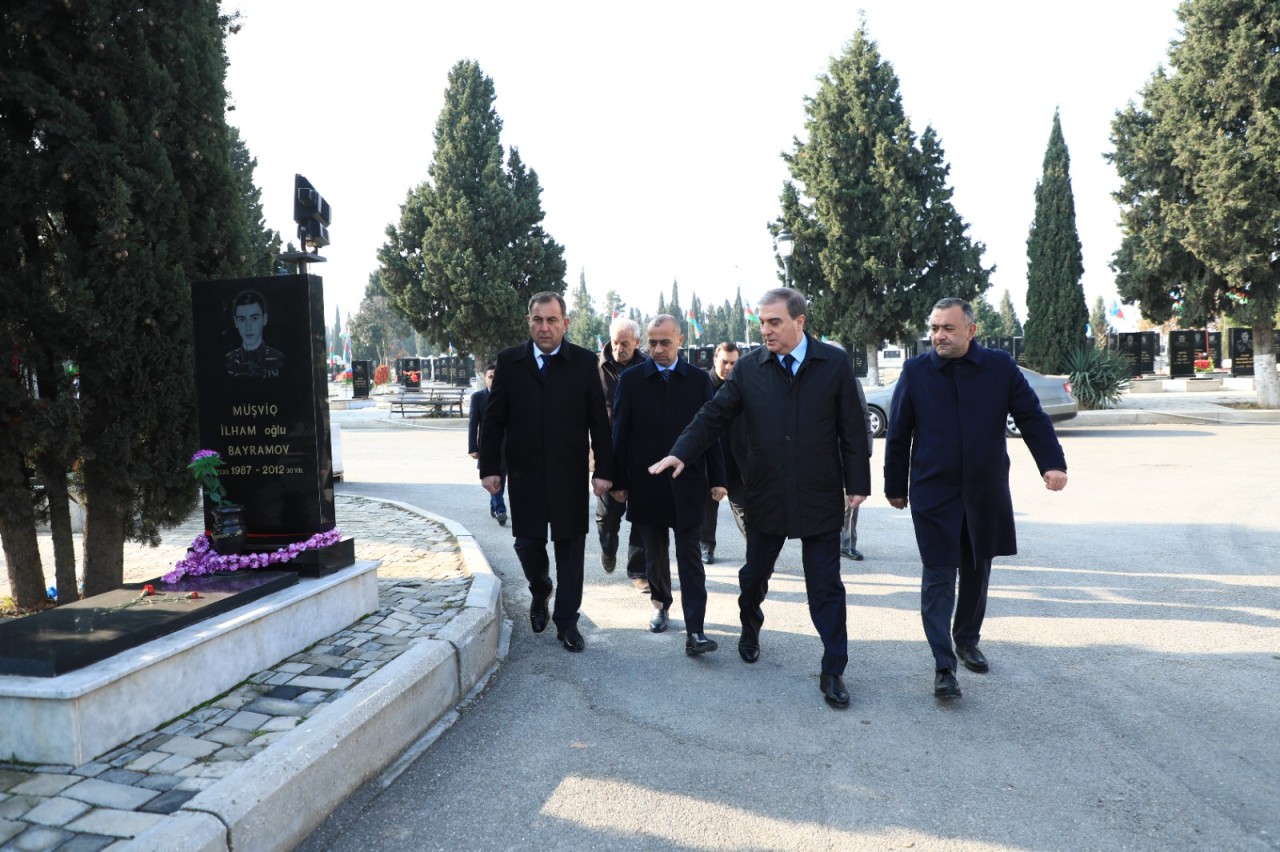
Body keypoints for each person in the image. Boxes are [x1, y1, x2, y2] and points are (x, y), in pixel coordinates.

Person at [650, 288, 871, 709]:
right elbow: (713, 415)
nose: (765, 330)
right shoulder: (750, 370)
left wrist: (857, 482)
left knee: (825, 587)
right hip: (766, 493)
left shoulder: (834, 364)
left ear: (799, 322)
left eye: (774, 322)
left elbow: (853, 428)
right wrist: (681, 451)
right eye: (762, 323)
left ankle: (834, 668)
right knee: (753, 578)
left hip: (819, 494)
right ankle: (750, 626)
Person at [884, 297, 1068, 701]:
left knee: (976, 569)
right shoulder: (915, 372)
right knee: (938, 574)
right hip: (934, 492)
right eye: (933, 328)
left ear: (970, 330)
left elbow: (1032, 416)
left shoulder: (999, 368)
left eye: (947, 328)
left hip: (984, 491)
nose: (938, 336)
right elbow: (898, 433)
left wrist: (1051, 464)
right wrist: (895, 486)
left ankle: (966, 638)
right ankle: (944, 665)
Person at [480, 292, 614, 653]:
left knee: (570, 549)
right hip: (524, 476)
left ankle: (567, 622)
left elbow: (598, 423)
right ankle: (541, 591)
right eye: (538, 320)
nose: (545, 327)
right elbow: (494, 421)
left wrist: (603, 469)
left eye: (552, 320)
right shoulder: (510, 362)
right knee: (528, 545)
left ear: (564, 323)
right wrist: (490, 468)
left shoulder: (585, 363)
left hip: (568, 475)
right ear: (529, 322)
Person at [610, 315, 726, 655]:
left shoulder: (697, 380)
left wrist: (718, 479)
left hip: (688, 483)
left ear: (679, 341)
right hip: (646, 483)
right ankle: (661, 603)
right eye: (652, 343)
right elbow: (620, 434)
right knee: (655, 555)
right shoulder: (632, 380)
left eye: (665, 342)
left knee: (689, 556)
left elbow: (710, 431)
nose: (658, 349)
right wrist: (618, 481)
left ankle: (696, 630)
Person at [595, 317, 650, 590]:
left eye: (625, 343)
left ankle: (639, 572)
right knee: (607, 517)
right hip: (607, 452)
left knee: (642, 516)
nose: (619, 348)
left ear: (637, 343)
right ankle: (608, 547)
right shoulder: (596, 368)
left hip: (641, 453)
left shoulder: (649, 367)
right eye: (615, 342)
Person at [699, 342, 746, 564]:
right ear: (715, 361)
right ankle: (706, 547)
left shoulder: (743, 386)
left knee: (745, 510)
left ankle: (757, 550)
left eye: (733, 363)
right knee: (708, 509)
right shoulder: (701, 385)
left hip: (737, 460)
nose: (728, 367)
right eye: (724, 362)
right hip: (709, 459)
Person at [468, 366, 506, 526]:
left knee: (501, 478)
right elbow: (473, 423)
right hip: (487, 446)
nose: (494, 379)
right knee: (491, 474)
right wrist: (473, 447)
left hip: (506, 445)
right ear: (485, 379)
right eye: (490, 376)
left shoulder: (508, 396)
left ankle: (495, 504)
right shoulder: (478, 397)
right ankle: (500, 509)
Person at [225, 289, 284, 378]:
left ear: (264, 319)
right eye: (242, 319)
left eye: (254, 318)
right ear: (235, 322)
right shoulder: (227, 362)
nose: (248, 327)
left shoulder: (280, 361)